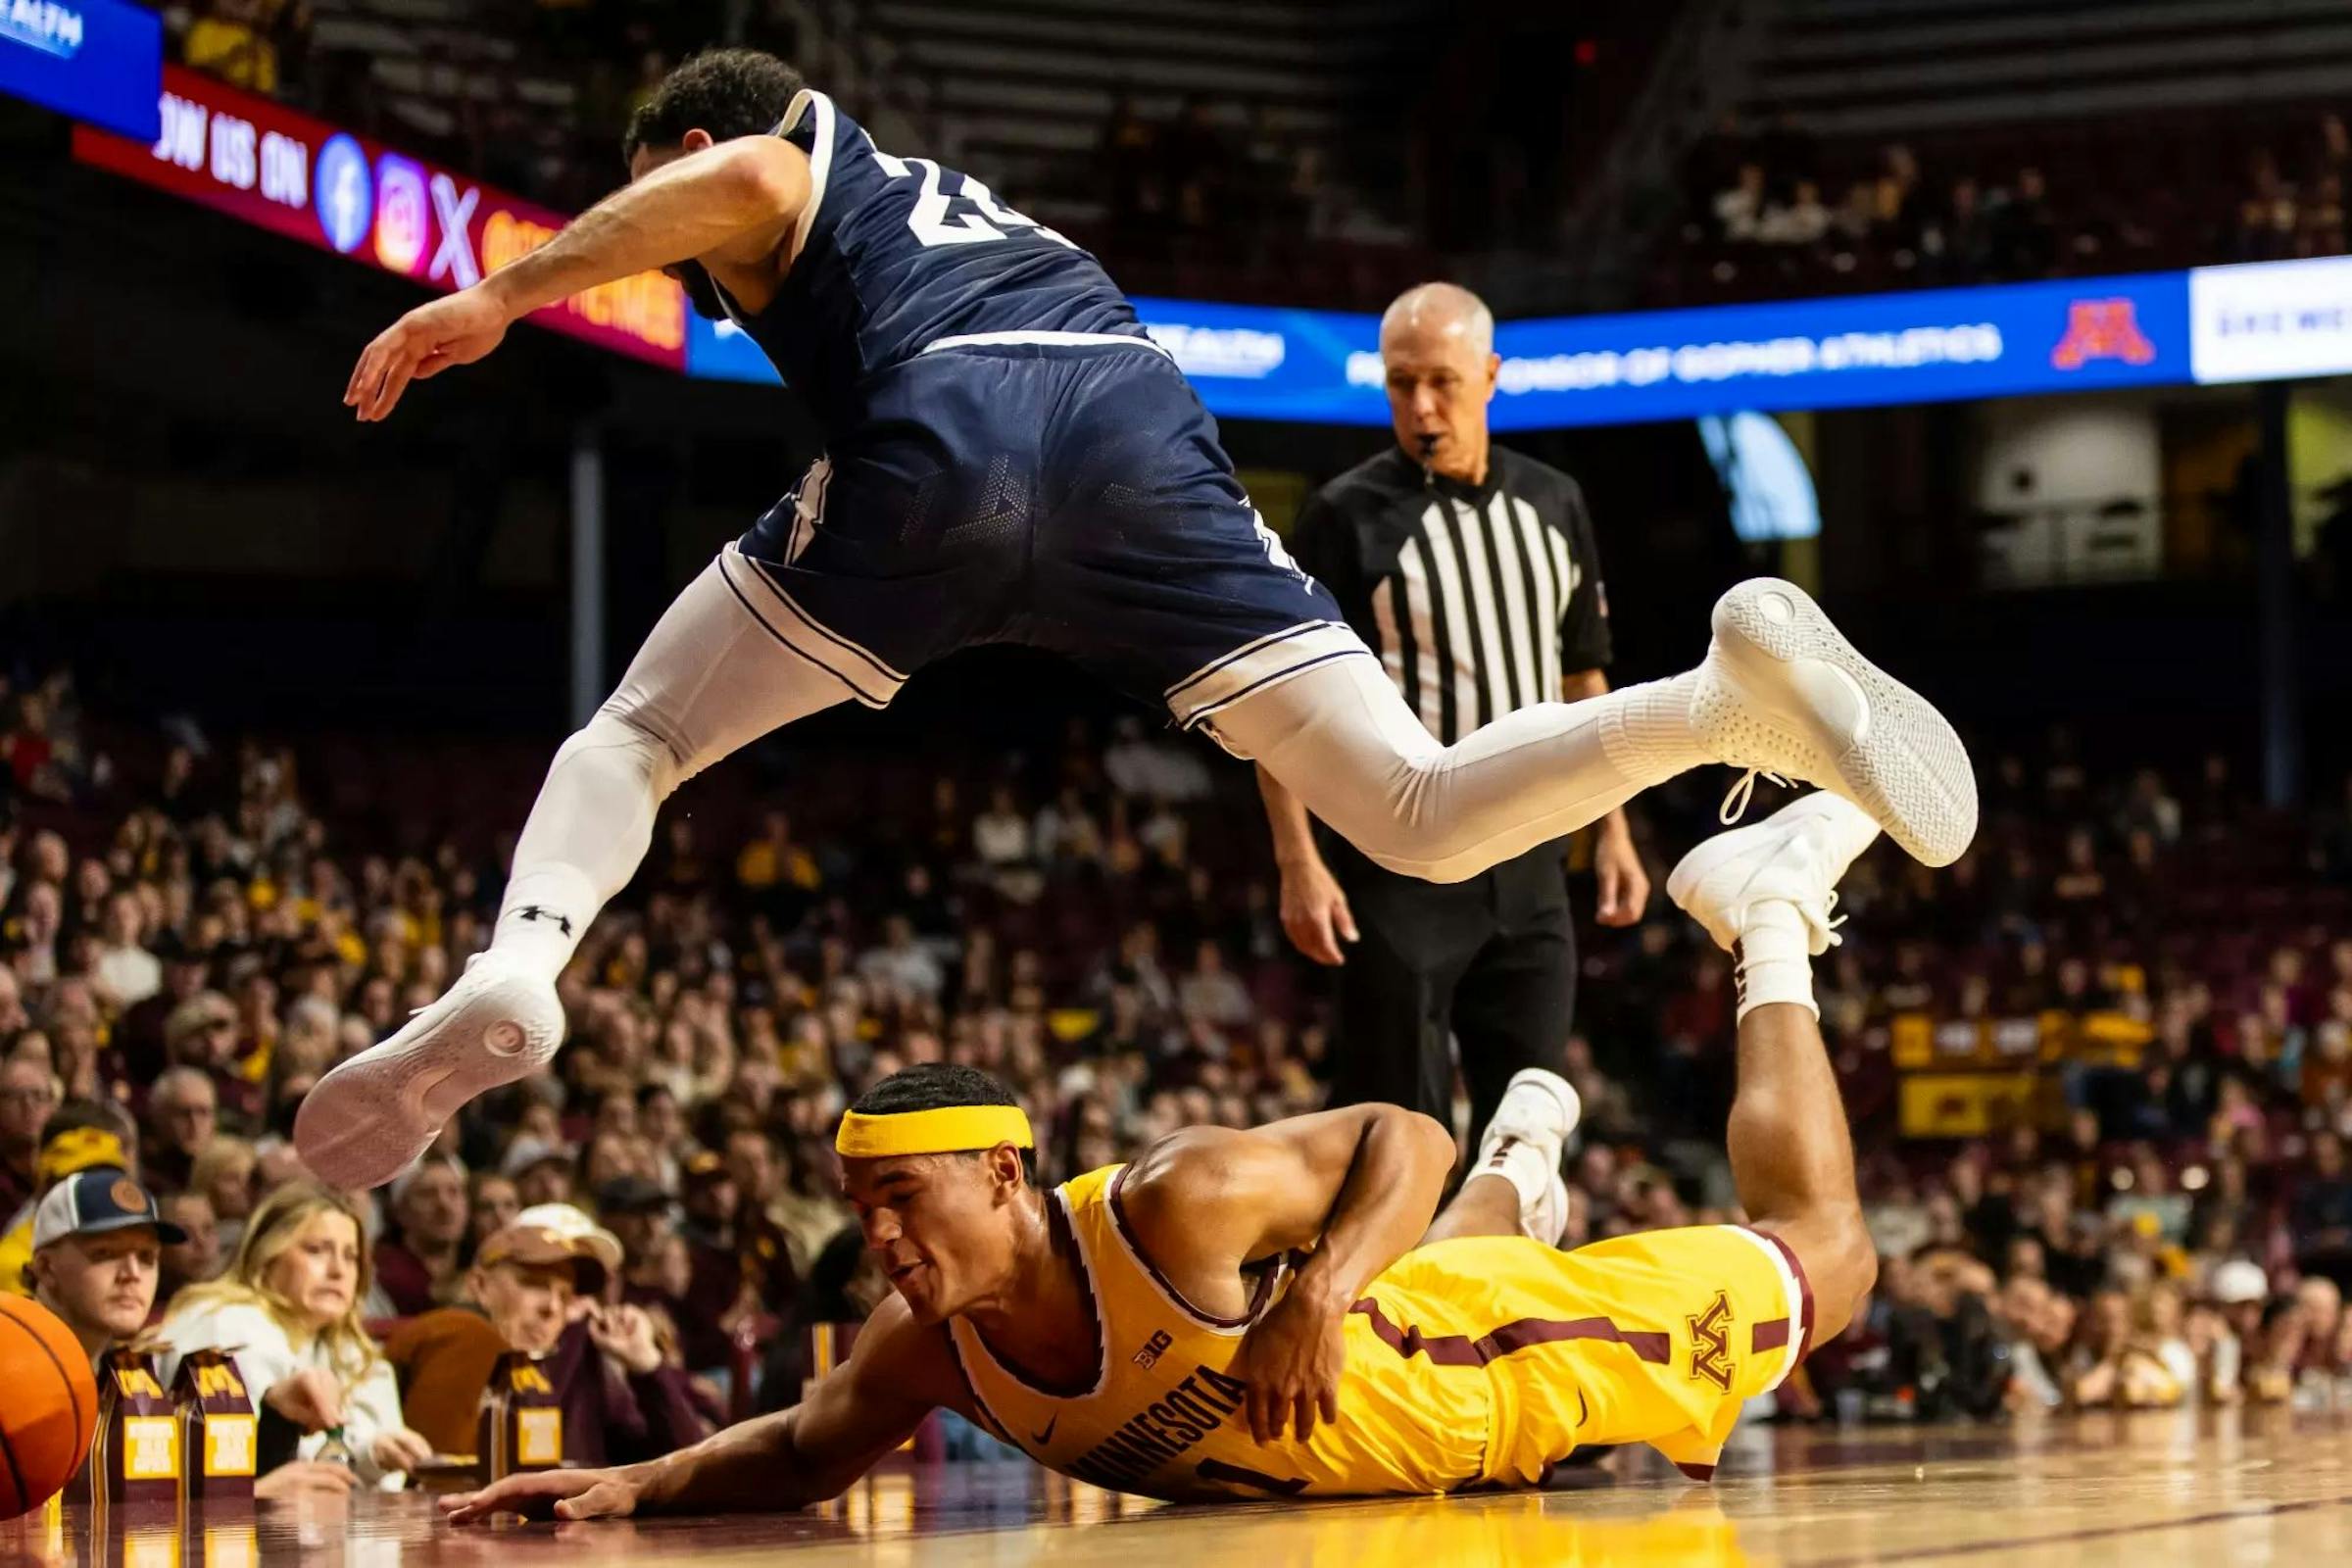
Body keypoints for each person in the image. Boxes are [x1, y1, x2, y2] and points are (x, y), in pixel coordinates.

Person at [301, 46, 1977, 1193]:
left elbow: (739, 168)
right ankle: (1716, 700)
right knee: (1421, 810)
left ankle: (522, 963)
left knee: (640, 736)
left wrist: (508, 289)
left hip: (956, 429)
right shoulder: (989, 212)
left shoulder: (800, 157)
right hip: (1139, 440)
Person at [445, 791, 1886, 1515]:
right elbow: (803, 1447)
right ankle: (1534, 1147)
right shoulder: (932, 1340)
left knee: (1833, 1261)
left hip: (1501, 1371)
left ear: (1003, 1173)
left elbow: (1401, 1128)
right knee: (1415, 1275)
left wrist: (1315, 1292)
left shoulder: (1168, 1206)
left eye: (901, 1198)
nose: (879, 1239)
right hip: (1383, 1380)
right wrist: (628, 1486)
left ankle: (1767, 914)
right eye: (859, 1210)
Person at [1260, 281, 1644, 1154]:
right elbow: (1280, 702)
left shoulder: (1554, 502)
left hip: (1535, 858)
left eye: (1441, 381)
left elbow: (1585, 677)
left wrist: (1614, 831)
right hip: (1402, 866)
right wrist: (1299, 862)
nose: (1422, 407)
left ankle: (1507, 1293)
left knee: (1529, 1126)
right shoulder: (1344, 515)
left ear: (1491, 374)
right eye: (1401, 384)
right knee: (1402, 1130)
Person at [156, 1182, 435, 1490]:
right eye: (316, 1250)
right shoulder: (226, 1323)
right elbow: (243, 1469)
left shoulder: (353, 1350)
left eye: (351, 1257)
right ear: (267, 1256)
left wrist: (377, 1454)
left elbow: (374, 1481)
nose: (338, 1271)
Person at [382, 1203, 710, 1464]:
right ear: (480, 1286)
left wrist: (648, 1366)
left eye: (570, 1293)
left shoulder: (589, 1363)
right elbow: (445, 1484)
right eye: (534, 1283)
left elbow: (687, 1466)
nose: (558, 1309)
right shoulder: (460, 1336)